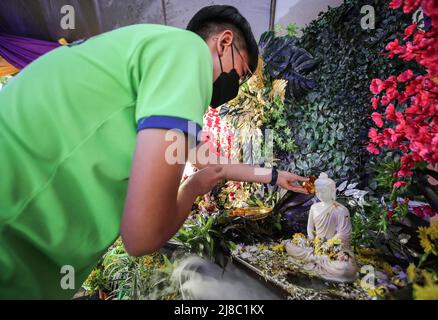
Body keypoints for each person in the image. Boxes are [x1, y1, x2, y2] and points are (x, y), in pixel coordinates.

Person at [0, 5, 308, 299]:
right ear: (224, 42)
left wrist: (275, 176)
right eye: (239, 74)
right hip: (13, 227)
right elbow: (142, 236)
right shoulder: (187, 53)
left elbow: (214, 165)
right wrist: (190, 189)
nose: (235, 88)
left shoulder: (153, 63)